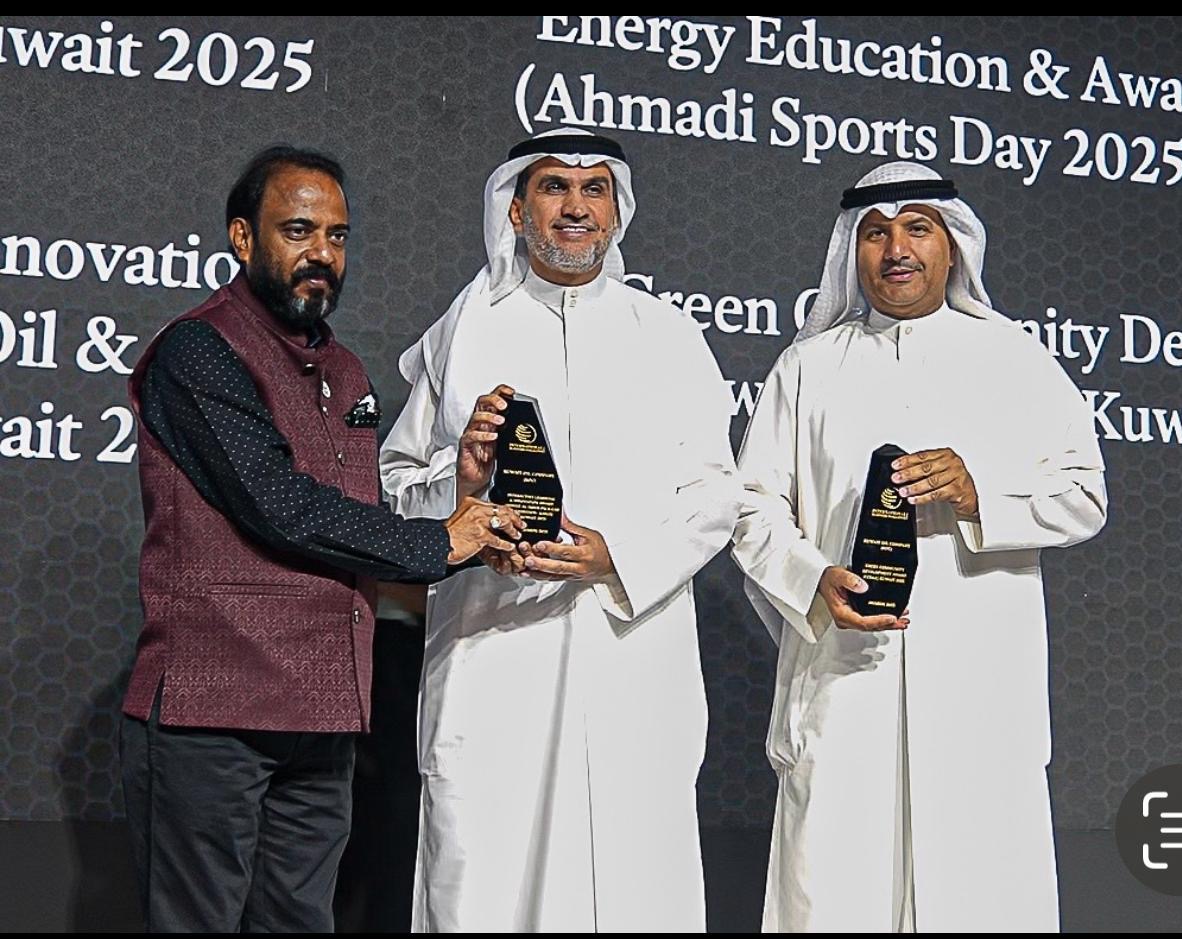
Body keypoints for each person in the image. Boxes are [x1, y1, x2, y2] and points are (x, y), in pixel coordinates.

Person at [119, 145, 522, 932]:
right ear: (243, 237)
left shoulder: (346, 369)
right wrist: (441, 542)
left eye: (337, 235)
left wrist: (465, 499)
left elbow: (360, 517)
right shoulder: (198, 350)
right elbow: (280, 506)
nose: (322, 254)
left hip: (323, 713)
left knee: (302, 921)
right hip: (212, 712)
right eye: (298, 230)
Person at [731, 161, 1107, 932]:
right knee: (834, 892)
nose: (895, 249)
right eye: (875, 233)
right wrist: (811, 577)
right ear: (853, 251)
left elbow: (1084, 496)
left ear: (952, 244)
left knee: (980, 895)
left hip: (977, 687)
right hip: (844, 675)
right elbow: (750, 506)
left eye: (916, 228)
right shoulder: (808, 367)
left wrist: (978, 498)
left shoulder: (1014, 359)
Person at [380, 128, 740, 932]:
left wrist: (618, 558)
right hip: (492, 650)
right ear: (516, 210)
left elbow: (718, 492)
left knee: (633, 882)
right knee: (483, 879)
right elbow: (397, 488)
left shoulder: (667, 335)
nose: (575, 206)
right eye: (554, 187)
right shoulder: (463, 331)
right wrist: (461, 483)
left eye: (594, 189)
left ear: (617, 211)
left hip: (631, 651)